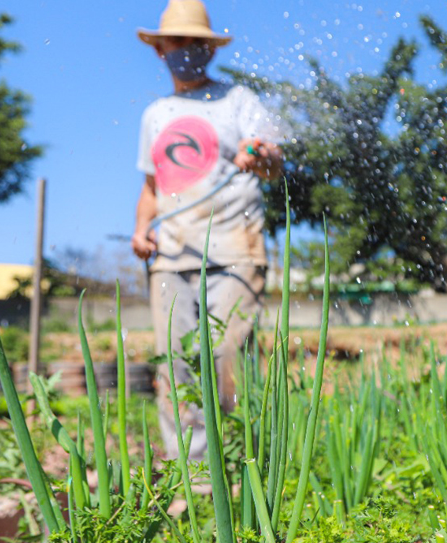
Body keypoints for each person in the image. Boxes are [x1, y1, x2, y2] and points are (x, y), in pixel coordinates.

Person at [133, 0, 284, 461]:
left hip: (235, 248)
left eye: (196, 42)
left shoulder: (237, 101)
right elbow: (152, 187)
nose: (187, 49)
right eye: (177, 41)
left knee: (223, 356)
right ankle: (192, 471)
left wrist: (259, 153)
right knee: (174, 363)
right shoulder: (156, 113)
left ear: (211, 49)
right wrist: (141, 229)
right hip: (173, 254)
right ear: (160, 49)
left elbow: (274, 163)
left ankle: (238, 461)